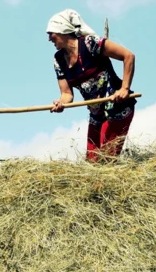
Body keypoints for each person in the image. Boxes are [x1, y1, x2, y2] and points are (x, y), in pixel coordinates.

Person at [46, 9, 137, 162]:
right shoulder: (59, 60)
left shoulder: (90, 43)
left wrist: (124, 88)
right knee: (92, 163)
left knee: (106, 161)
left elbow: (128, 56)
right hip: (97, 115)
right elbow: (67, 95)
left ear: (61, 30)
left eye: (51, 33)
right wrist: (61, 103)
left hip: (117, 108)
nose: (49, 39)